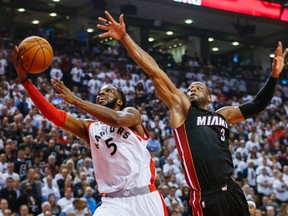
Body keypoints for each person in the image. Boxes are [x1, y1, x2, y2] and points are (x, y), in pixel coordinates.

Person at [97, 11, 288, 216]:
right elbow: (154, 70)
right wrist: (125, 37)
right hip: (206, 196)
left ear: (210, 96)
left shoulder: (223, 115)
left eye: (198, 87)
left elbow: (258, 104)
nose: (192, 89)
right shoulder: (183, 109)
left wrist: (274, 76)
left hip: (231, 189)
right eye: (190, 88)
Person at [13, 46, 168, 216]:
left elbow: (117, 120)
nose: (102, 93)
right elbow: (53, 115)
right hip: (113, 203)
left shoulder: (131, 115)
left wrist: (76, 101)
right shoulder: (89, 128)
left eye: (108, 91)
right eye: (100, 92)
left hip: (145, 197)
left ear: (119, 102)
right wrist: (24, 81)